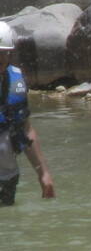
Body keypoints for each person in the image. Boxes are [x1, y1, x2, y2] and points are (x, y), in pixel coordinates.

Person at [0, 21, 55, 206]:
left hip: (7, 177)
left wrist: (43, 173)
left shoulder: (16, 81)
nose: (0, 58)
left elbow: (26, 130)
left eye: (4, 53)